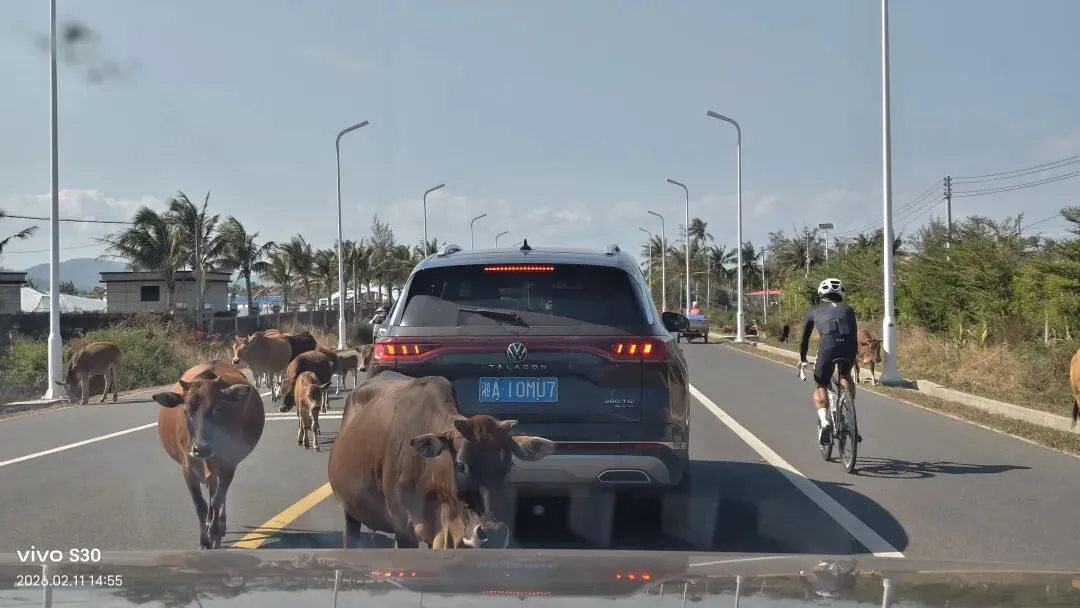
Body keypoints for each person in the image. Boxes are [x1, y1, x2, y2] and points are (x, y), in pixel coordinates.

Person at [798, 278, 859, 444]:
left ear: (821, 294)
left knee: (821, 385)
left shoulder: (813, 310)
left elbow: (804, 339)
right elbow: (854, 333)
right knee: (845, 375)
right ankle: (849, 415)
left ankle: (825, 422)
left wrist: (803, 358)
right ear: (841, 294)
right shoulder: (849, 310)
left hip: (828, 346)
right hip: (849, 346)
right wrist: (854, 354)